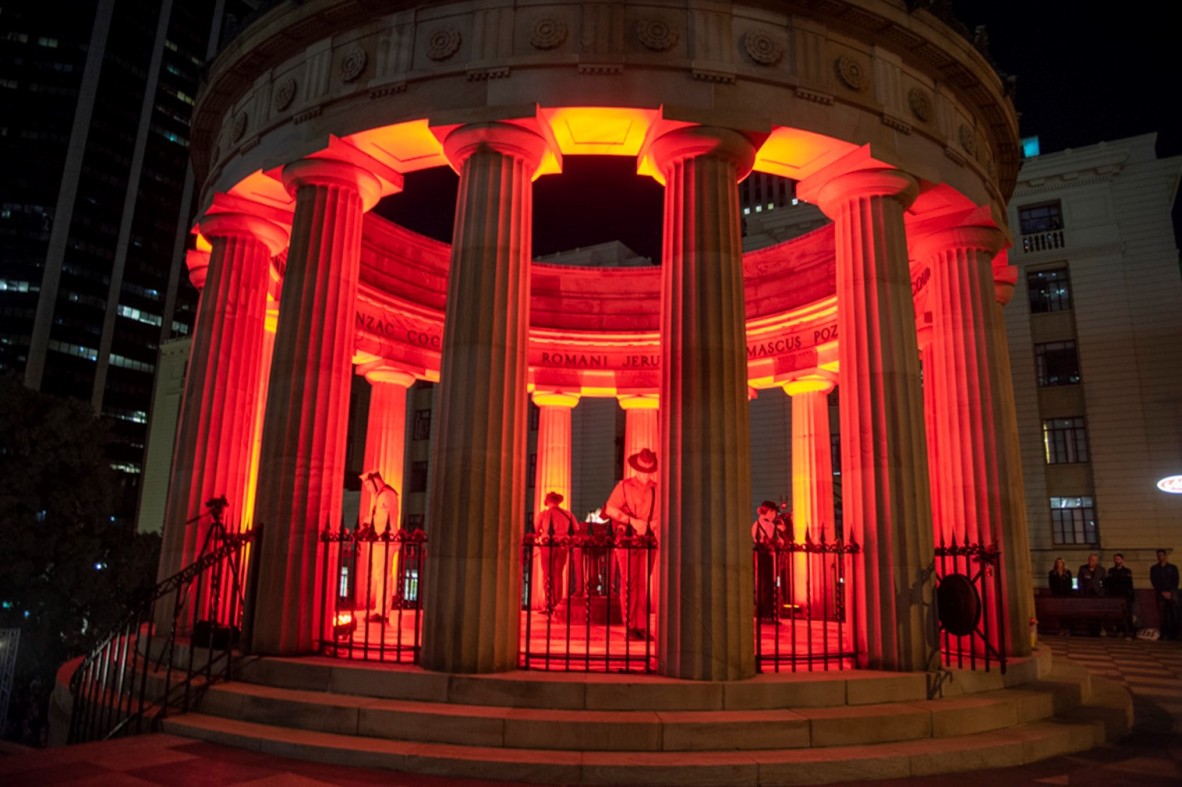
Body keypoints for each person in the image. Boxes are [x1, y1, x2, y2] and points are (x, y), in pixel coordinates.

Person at [604, 448, 659, 641]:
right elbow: (610, 508)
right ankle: (630, 625)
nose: (646, 473)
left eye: (649, 470)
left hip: (647, 540)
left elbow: (662, 513)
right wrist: (631, 521)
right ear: (636, 468)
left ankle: (641, 626)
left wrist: (653, 524)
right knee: (629, 582)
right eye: (643, 469)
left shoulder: (656, 488)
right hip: (628, 539)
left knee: (642, 583)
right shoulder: (624, 486)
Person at [358, 471, 401, 619]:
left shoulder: (386, 496)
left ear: (375, 482)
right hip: (381, 541)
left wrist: (367, 522)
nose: (368, 489)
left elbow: (383, 520)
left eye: (368, 485)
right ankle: (380, 609)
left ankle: (382, 612)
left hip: (385, 541)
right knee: (380, 575)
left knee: (383, 576)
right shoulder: (383, 495)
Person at [535, 491, 577, 614]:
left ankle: (549, 604)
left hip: (548, 545)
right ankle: (558, 604)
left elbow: (536, 530)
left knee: (547, 575)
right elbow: (575, 530)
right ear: (559, 501)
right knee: (558, 575)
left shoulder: (544, 514)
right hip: (563, 545)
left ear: (547, 501)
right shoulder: (568, 514)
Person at [751, 501, 785, 622]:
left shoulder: (755, 524)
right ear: (769, 511)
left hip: (759, 555)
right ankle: (768, 614)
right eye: (774, 512)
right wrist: (781, 530)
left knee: (761, 585)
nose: (775, 515)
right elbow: (780, 542)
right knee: (769, 585)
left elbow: (755, 538)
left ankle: (761, 614)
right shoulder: (769, 526)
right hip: (768, 556)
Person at [1150, 549, 1180, 640]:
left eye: (1162, 555)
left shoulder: (1173, 567)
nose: (1160, 557)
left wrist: (1170, 592)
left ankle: (1175, 634)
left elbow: (1176, 580)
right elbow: (1154, 581)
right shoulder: (1154, 568)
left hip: (1172, 593)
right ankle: (1164, 633)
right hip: (1160, 593)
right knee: (1162, 614)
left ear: (1165, 556)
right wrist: (1162, 592)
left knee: (1174, 613)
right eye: (1159, 556)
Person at [1106, 553, 1134, 635]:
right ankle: (1117, 630)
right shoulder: (1111, 570)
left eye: (1118, 559)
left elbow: (1128, 583)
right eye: (1115, 559)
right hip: (1114, 595)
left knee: (1128, 614)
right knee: (1115, 614)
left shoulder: (1127, 571)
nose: (1116, 561)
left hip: (1125, 595)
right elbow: (1110, 582)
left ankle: (1129, 631)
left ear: (1122, 560)